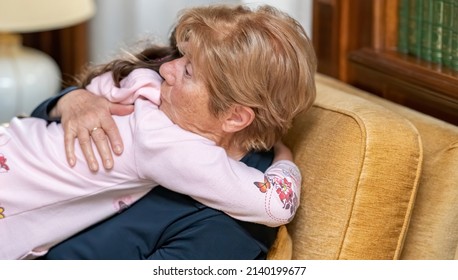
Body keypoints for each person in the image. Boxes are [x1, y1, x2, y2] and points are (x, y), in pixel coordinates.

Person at [31, 4, 316, 260]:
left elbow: (277, 204)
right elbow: (35, 122)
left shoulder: (227, 227)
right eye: (180, 55)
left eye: (188, 71)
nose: (167, 68)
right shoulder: (162, 94)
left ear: (235, 116)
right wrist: (72, 100)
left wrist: (283, 156)